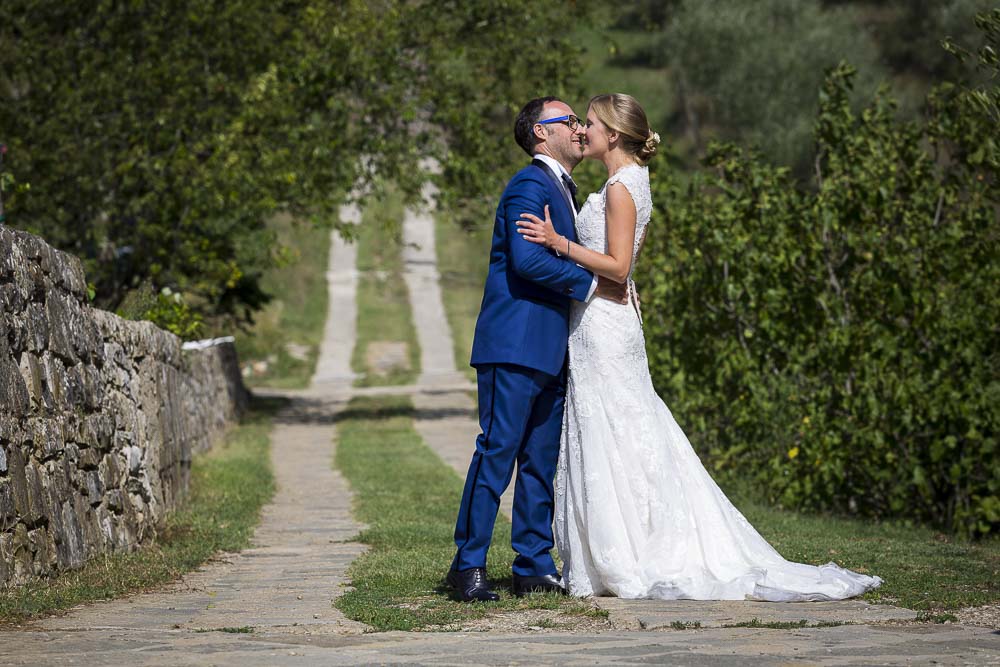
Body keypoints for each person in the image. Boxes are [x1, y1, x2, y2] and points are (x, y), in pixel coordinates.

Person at [516, 93, 882, 600]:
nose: (584, 130)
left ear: (614, 136)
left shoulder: (622, 188)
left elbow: (619, 267)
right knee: (615, 427)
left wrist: (561, 244)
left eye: (592, 123)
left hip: (605, 323)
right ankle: (614, 546)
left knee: (618, 425)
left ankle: (634, 550)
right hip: (600, 319)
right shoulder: (624, 183)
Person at [446, 96, 627, 602]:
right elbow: (527, 261)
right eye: (567, 120)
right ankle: (467, 566)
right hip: (516, 343)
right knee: (498, 452)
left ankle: (532, 564)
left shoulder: (564, 190)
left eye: (578, 120)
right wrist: (592, 286)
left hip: (553, 348)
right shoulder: (530, 183)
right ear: (540, 134)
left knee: (540, 461)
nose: (576, 128)